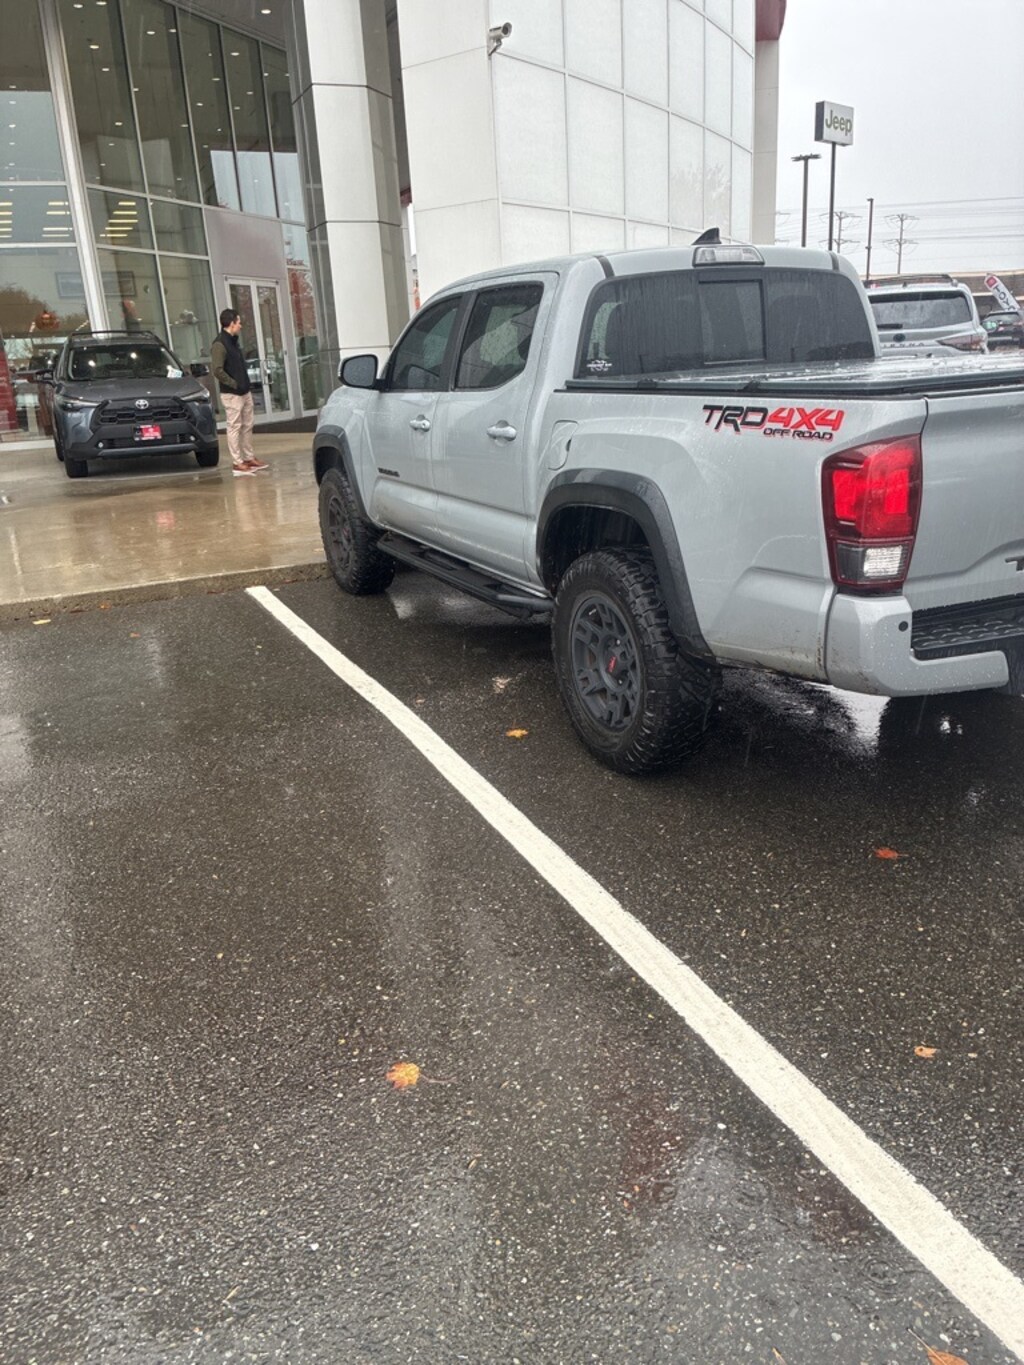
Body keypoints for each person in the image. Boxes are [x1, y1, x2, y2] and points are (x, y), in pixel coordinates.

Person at [211, 308, 268, 475]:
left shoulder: (234, 341)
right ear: (231, 323)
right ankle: (237, 462)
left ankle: (249, 457)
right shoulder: (219, 344)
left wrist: (244, 385)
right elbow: (217, 370)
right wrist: (234, 384)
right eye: (238, 322)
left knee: (247, 425)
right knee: (234, 426)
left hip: (244, 391)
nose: (240, 325)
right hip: (232, 393)